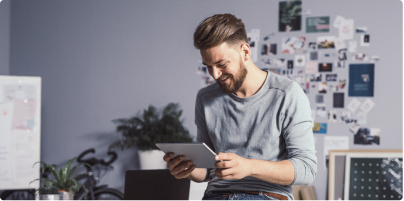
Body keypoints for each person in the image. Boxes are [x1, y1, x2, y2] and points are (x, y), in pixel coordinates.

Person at [163, 13, 317, 201]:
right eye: (208, 66)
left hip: (267, 196)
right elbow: (208, 170)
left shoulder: (287, 94)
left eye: (221, 64)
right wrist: (188, 170)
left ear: (245, 51)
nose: (215, 74)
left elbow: (307, 169)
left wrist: (249, 167)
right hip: (216, 196)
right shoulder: (205, 98)